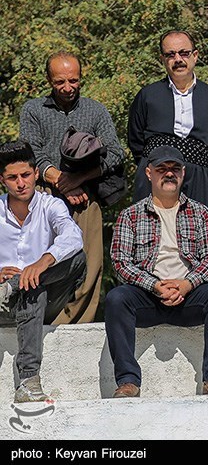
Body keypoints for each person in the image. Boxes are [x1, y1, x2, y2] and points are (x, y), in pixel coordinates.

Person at [105, 145, 208, 398]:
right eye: (161, 169)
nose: (169, 174)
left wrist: (187, 284)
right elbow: (121, 263)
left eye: (174, 169)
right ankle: (127, 381)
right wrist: (155, 285)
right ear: (148, 173)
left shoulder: (201, 213)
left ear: (183, 173)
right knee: (116, 298)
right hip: (147, 297)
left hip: (189, 297)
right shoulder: (130, 216)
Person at [19, 51, 126, 324]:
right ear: (49, 80)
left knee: (91, 266)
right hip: (44, 196)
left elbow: (116, 153)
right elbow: (32, 154)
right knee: (42, 263)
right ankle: (40, 323)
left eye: (73, 81)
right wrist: (61, 182)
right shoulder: (33, 110)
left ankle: (77, 327)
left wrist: (79, 179)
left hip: (86, 198)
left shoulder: (96, 110)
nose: (67, 88)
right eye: (60, 82)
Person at [0, 140, 86, 402]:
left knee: (75, 261)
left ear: (36, 174)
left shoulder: (51, 205)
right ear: (2, 180)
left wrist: (43, 261)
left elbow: (73, 236)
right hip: (5, 307)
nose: (21, 183)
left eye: (25, 175)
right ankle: (28, 383)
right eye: (12, 177)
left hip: (46, 296)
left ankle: (15, 285)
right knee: (32, 289)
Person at [127, 30, 208, 215]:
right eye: (171, 54)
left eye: (183, 53)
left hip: (198, 179)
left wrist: (203, 171)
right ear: (163, 59)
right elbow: (135, 140)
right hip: (155, 177)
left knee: (202, 236)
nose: (178, 59)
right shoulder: (147, 96)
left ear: (195, 55)